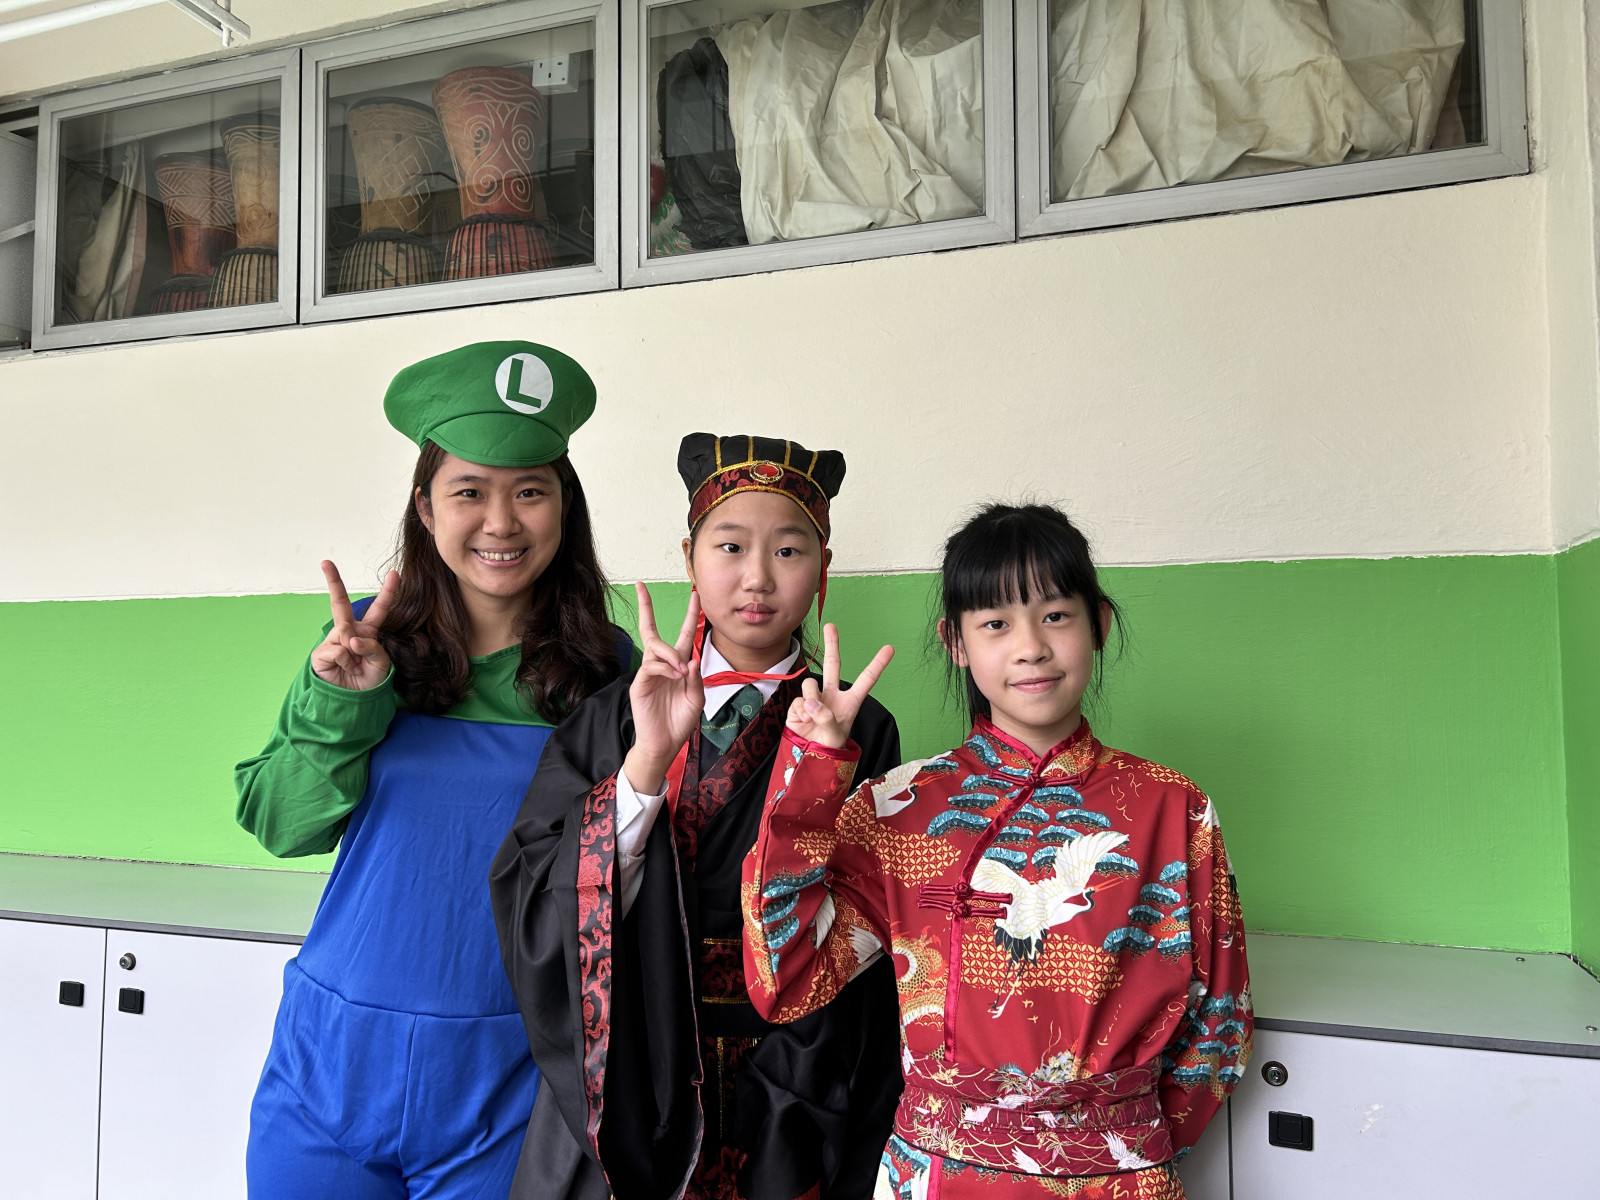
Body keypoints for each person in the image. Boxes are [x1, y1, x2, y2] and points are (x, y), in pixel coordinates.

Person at [742, 502, 1252, 1199]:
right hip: (938, 1177)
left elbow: (1221, 1020)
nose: (1031, 647)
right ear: (955, 642)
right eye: (996, 623)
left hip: (1117, 1176)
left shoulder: (1174, 807)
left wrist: (1121, 1143)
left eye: (1056, 615)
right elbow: (787, 979)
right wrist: (811, 775)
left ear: (1099, 624)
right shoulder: (897, 806)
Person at [236, 342, 632, 1199]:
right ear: (425, 506)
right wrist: (341, 703)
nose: (501, 522)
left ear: (564, 506)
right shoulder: (362, 646)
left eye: (530, 490)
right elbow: (281, 824)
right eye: (469, 491)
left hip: (509, 1081)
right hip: (330, 1063)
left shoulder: (607, 672)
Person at [491, 434, 905, 1200]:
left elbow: (863, 935)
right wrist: (647, 763)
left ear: (823, 567)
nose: (757, 577)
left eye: (789, 551)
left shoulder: (860, 729)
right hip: (635, 1054)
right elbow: (532, 890)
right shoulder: (617, 715)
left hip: (787, 1077)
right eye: (730, 546)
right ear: (689, 559)